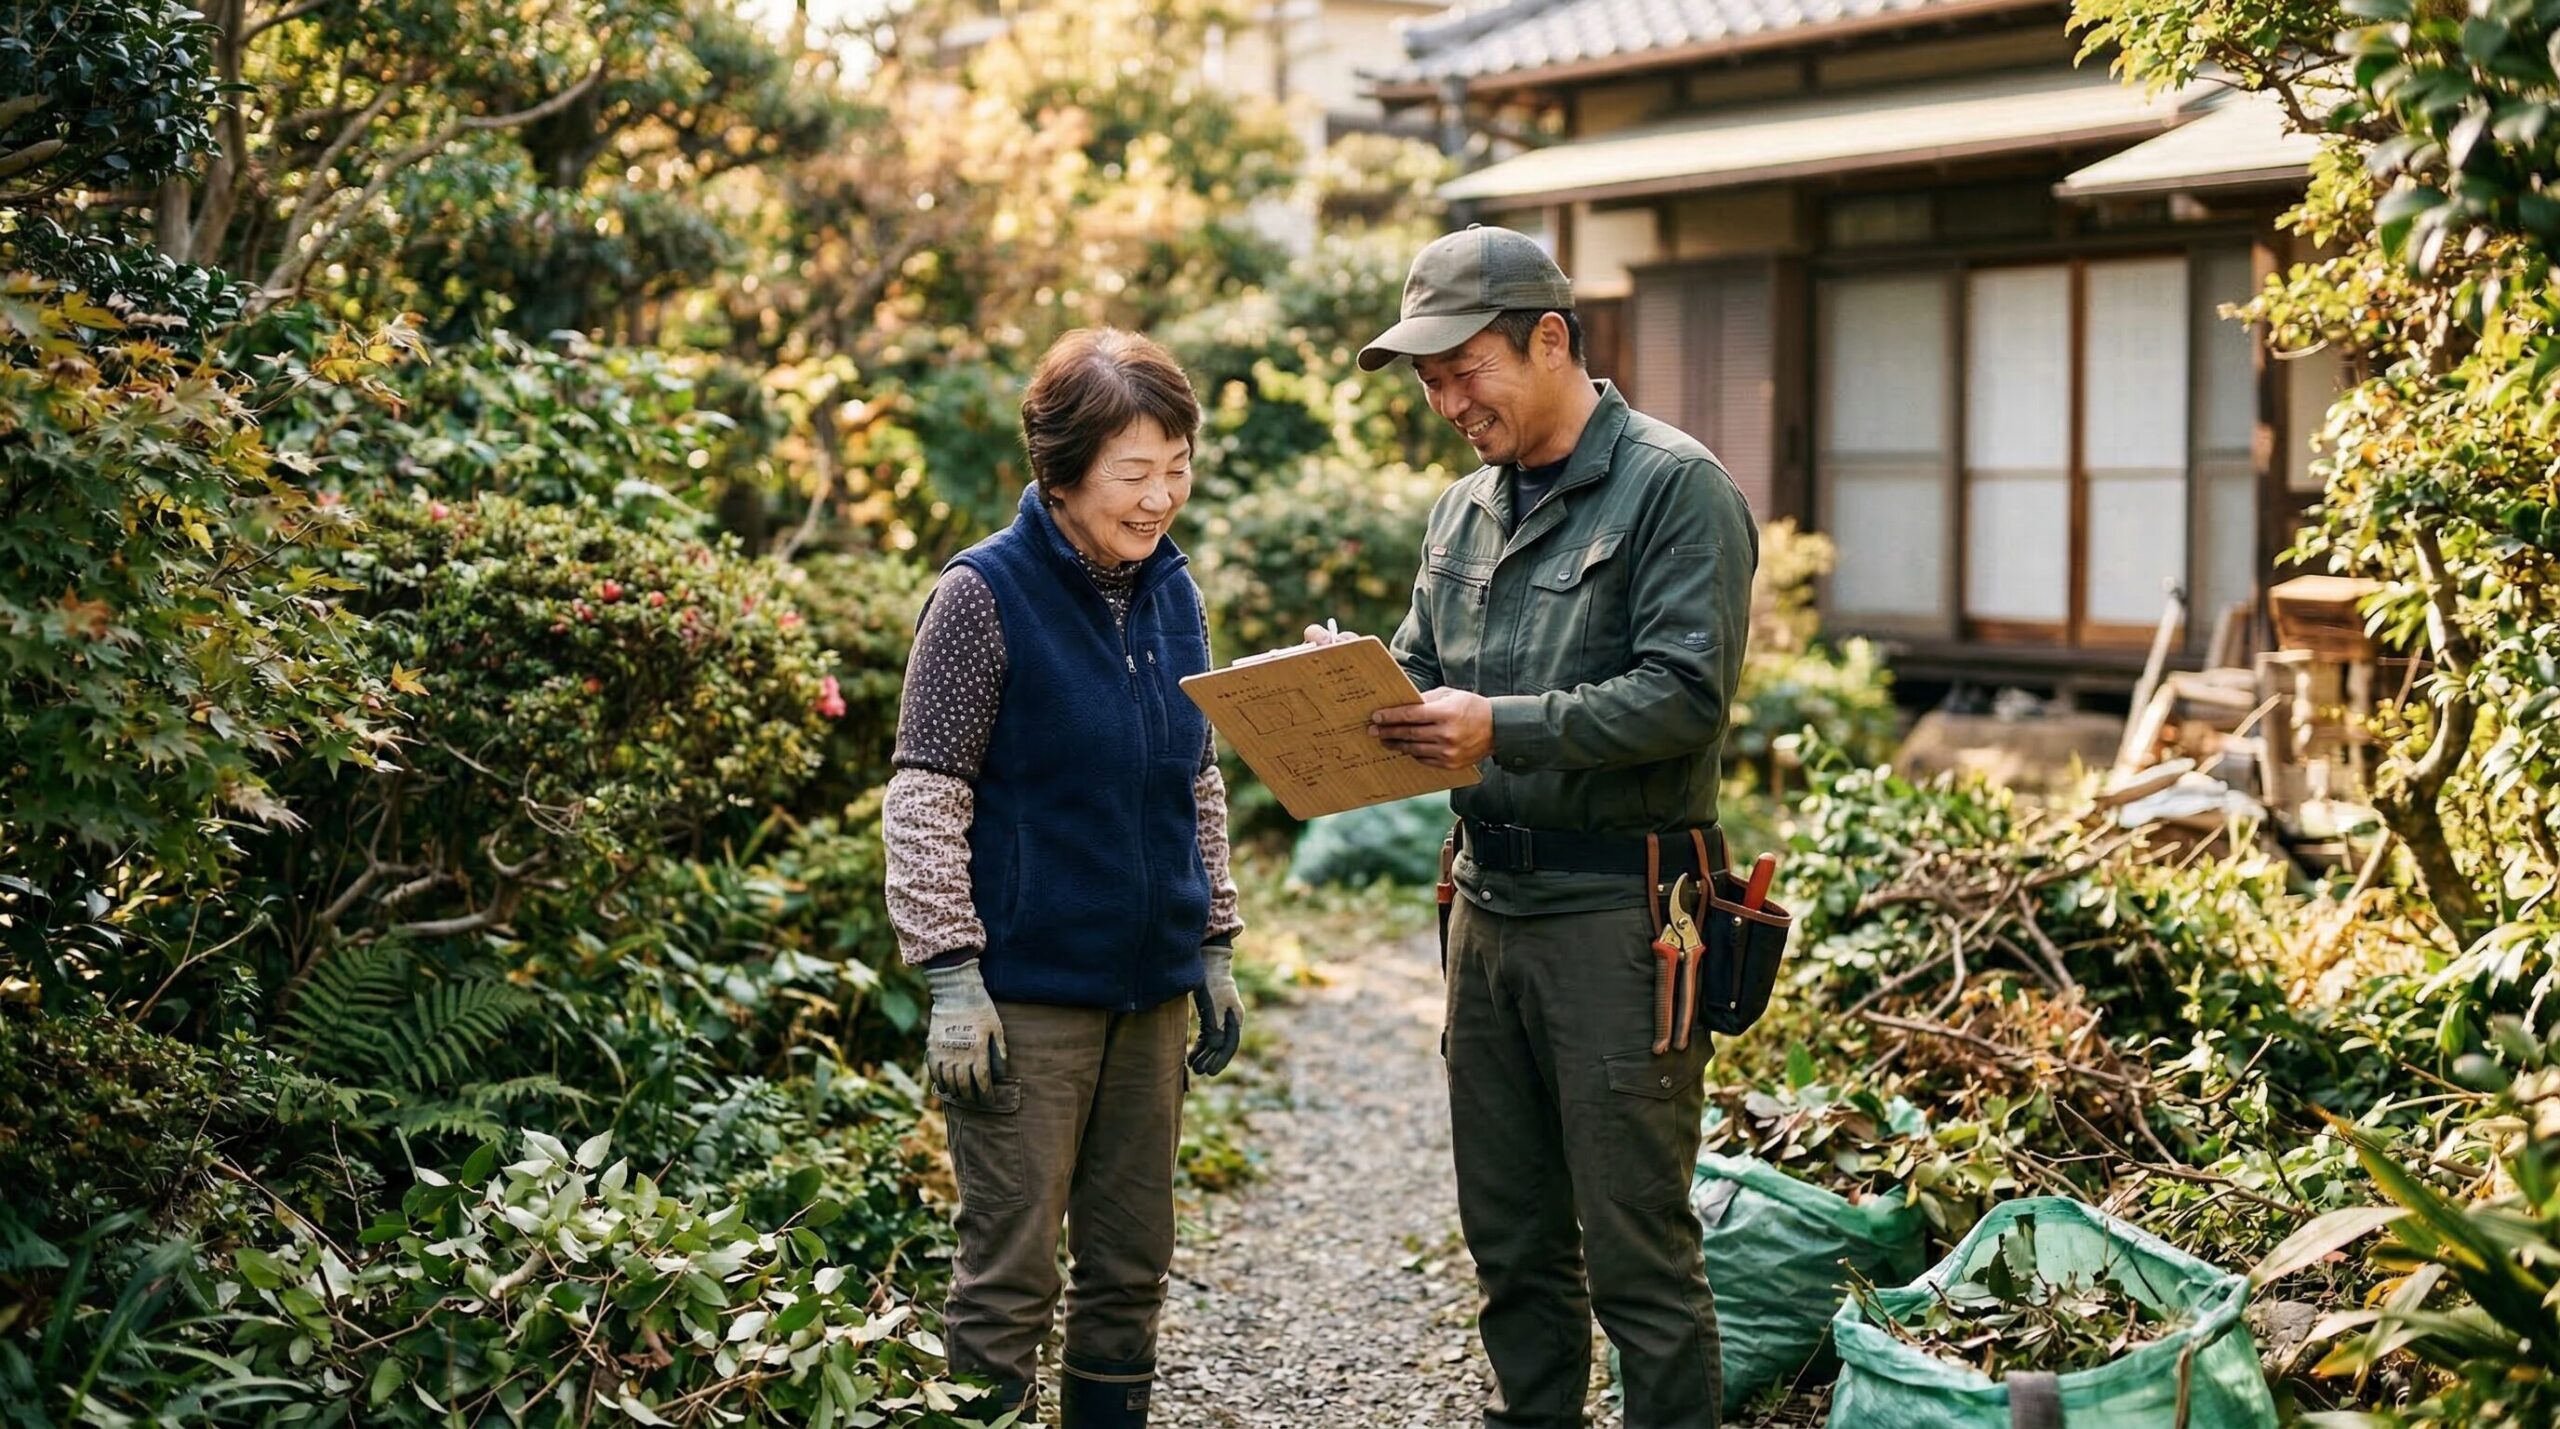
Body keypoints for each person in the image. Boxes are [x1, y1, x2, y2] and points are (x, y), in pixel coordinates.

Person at [1314, 226, 1758, 1428]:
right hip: (1486, 914)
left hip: (1620, 925)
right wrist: (1340, 689)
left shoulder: (1676, 488)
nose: (1449, 403)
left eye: (1466, 370)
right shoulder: (1461, 513)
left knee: (1639, 1261)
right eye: (1429, 383)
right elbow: (1418, 675)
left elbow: (1684, 696)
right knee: (1510, 1246)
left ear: (1550, 337)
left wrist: (1497, 726)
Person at [882, 327, 1247, 1428]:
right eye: (1135, 473)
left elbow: (1199, 779)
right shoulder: (982, 596)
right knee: (1010, 1279)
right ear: (1060, 469)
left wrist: (1215, 943)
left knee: (1132, 1264)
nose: (1159, 499)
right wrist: (950, 975)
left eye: (1176, 469)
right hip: (1024, 999)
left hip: (1146, 993)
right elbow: (925, 794)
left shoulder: (1172, 592)